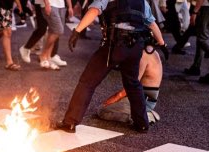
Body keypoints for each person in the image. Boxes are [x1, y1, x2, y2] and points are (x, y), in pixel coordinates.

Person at [55, 0, 167, 133]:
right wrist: (162, 44)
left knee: (87, 82)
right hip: (135, 47)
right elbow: (151, 23)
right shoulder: (142, 1)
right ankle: (142, 124)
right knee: (133, 84)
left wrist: (77, 31)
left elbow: (94, 10)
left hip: (114, 45)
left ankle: (70, 122)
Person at [98, 50, 162, 125]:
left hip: (141, 100)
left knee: (102, 110)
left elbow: (133, 84)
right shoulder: (153, 52)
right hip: (148, 100)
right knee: (113, 105)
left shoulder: (143, 56)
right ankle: (145, 112)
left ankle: (142, 117)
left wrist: (116, 97)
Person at [19, 0, 68, 67]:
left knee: (54, 30)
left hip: (58, 4)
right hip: (43, 3)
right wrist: (47, 3)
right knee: (45, 29)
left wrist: (69, 5)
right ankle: (31, 50)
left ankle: (51, 56)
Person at [38, 0, 73, 70]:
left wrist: (70, 6)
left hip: (61, 5)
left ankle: (48, 59)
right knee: (58, 30)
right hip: (50, 4)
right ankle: (43, 55)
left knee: (53, 31)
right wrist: (47, 3)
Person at [183, 0, 209, 76]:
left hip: (206, 8)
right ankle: (196, 66)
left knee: (202, 39)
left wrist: (195, 12)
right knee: (201, 38)